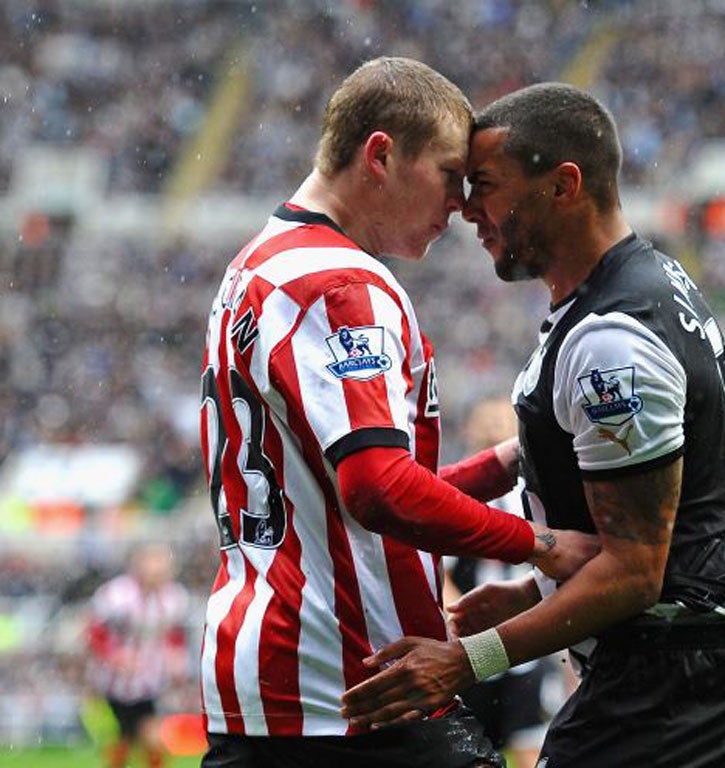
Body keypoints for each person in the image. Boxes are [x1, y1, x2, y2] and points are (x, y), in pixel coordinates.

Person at [341, 82, 725, 767]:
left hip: (686, 683)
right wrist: (533, 588)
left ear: (563, 186)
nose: (468, 209)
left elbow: (634, 570)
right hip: (685, 670)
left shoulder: (612, 338)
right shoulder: (630, 290)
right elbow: (623, 505)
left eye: (487, 185)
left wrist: (467, 661)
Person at [197, 59, 595, 768]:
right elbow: (378, 489)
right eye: (449, 174)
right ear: (380, 154)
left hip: (267, 675)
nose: (464, 205)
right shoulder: (342, 283)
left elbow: (351, 493)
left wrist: (500, 467)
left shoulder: (256, 267)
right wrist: (537, 544)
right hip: (355, 683)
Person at [443, 397, 551, 768]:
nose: (492, 427)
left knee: (525, 745)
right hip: (478, 646)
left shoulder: (529, 495)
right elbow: (439, 572)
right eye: (485, 420)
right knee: (468, 748)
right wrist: (458, 621)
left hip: (516, 646)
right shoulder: (454, 496)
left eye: (498, 420)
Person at [85, 543, 189, 768]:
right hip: (114, 682)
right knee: (128, 739)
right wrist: (114, 657)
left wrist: (176, 656)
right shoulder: (116, 594)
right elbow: (94, 631)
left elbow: (174, 632)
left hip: (148, 679)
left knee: (149, 737)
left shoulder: (173, 597)